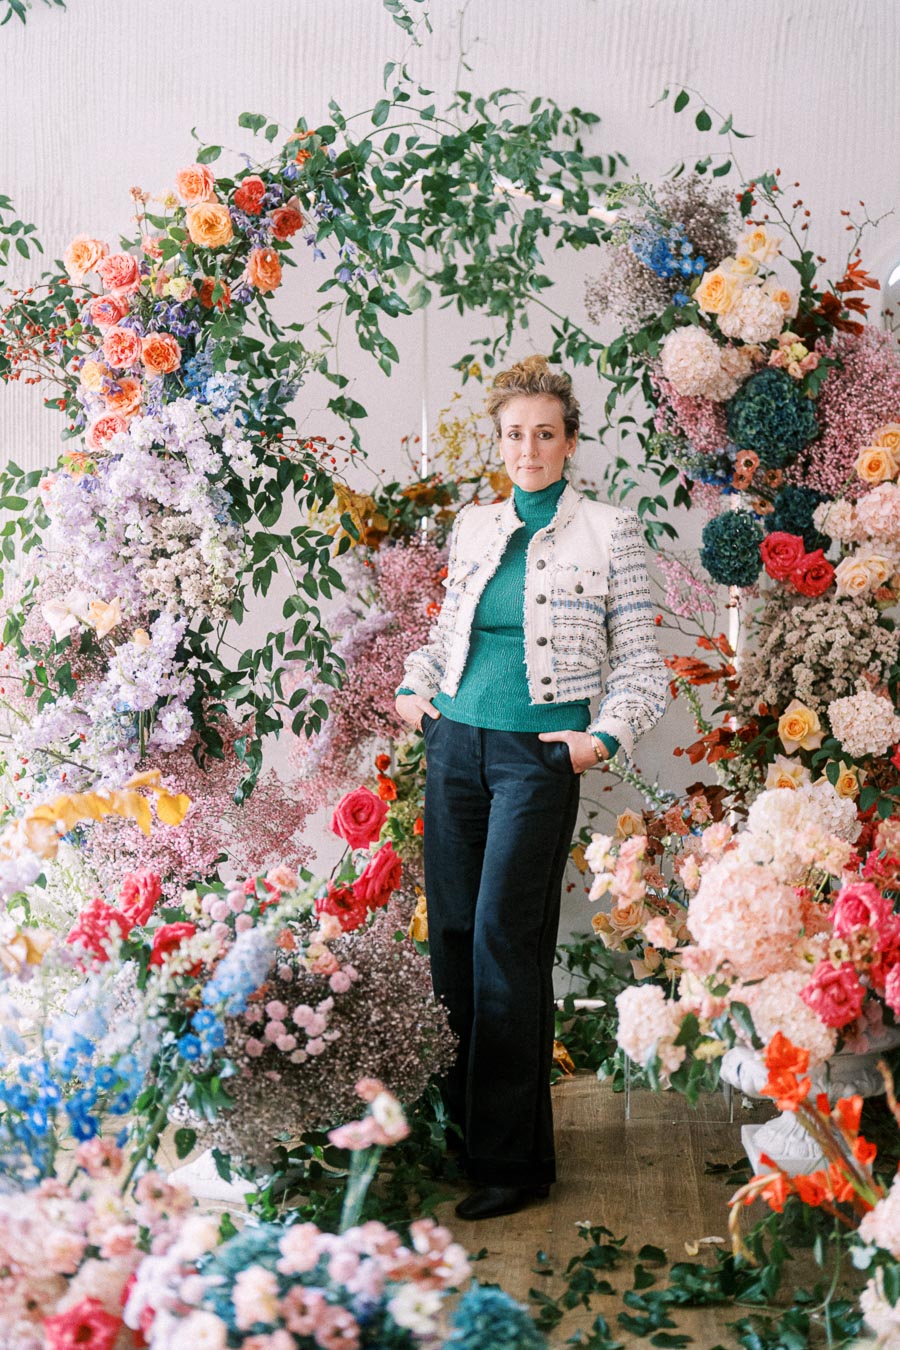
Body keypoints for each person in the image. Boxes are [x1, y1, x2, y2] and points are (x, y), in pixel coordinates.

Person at [395, 355, 667, 1221]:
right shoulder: (474, 525)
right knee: (454, 942)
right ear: (500, 442)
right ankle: (460, 1136)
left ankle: (514, 1163)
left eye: (545, 433)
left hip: (535, 759)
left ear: (570, 440)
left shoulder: (610, 531)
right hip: (454, 744)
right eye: (515, 433)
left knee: (506, 946)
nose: (529, 447)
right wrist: (416, 694)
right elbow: (446, 634)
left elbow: (642, 666)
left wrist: (597, 742)